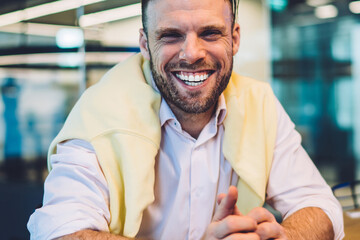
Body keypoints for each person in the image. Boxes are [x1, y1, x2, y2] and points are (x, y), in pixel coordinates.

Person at [27, 0, 344, 239]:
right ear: (144, 43)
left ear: (234, 38)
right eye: (171, 35)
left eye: (210, 33)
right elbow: (60, 230)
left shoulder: (257, 103)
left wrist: (286, 237)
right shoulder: (99, 115)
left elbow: (319, 204)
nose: (192, 53)